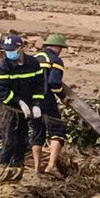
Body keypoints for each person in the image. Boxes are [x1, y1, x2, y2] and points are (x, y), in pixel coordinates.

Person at [0, 33, 47, 182]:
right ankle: (4, 167)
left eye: (12, 50)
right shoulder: (2, 67)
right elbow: (1, 90)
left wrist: (36, 104)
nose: (9, 53)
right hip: (8, 108)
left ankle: (18, 168)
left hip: (28, 107)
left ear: (21, 48)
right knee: (9, 137)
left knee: (22, 138)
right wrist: (18, 102)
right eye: (6, 50)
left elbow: (39, 85)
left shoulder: (33, 64)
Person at [35, 34, 70, 175]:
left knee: (37, 132)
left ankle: (37, 168)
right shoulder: (55, 60)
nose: (61, 50)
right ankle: (51, 165)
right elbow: (54, 82)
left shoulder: (33, 59)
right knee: (57, 131)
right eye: (60, 48)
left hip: (32, 101)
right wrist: (62, 96)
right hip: (46, 99)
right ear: (55, 47)